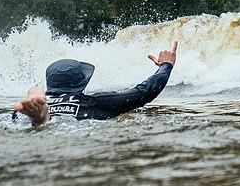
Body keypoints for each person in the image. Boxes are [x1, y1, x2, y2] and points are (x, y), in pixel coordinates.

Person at [13, 41, 178, 127]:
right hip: (76, 129)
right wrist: (166, 65)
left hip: (40, 119)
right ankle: (41, 120)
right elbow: (144, 92)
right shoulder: (95, 103)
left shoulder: (26, 107)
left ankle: (40, 120)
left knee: (37, 122)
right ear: (82, 82)